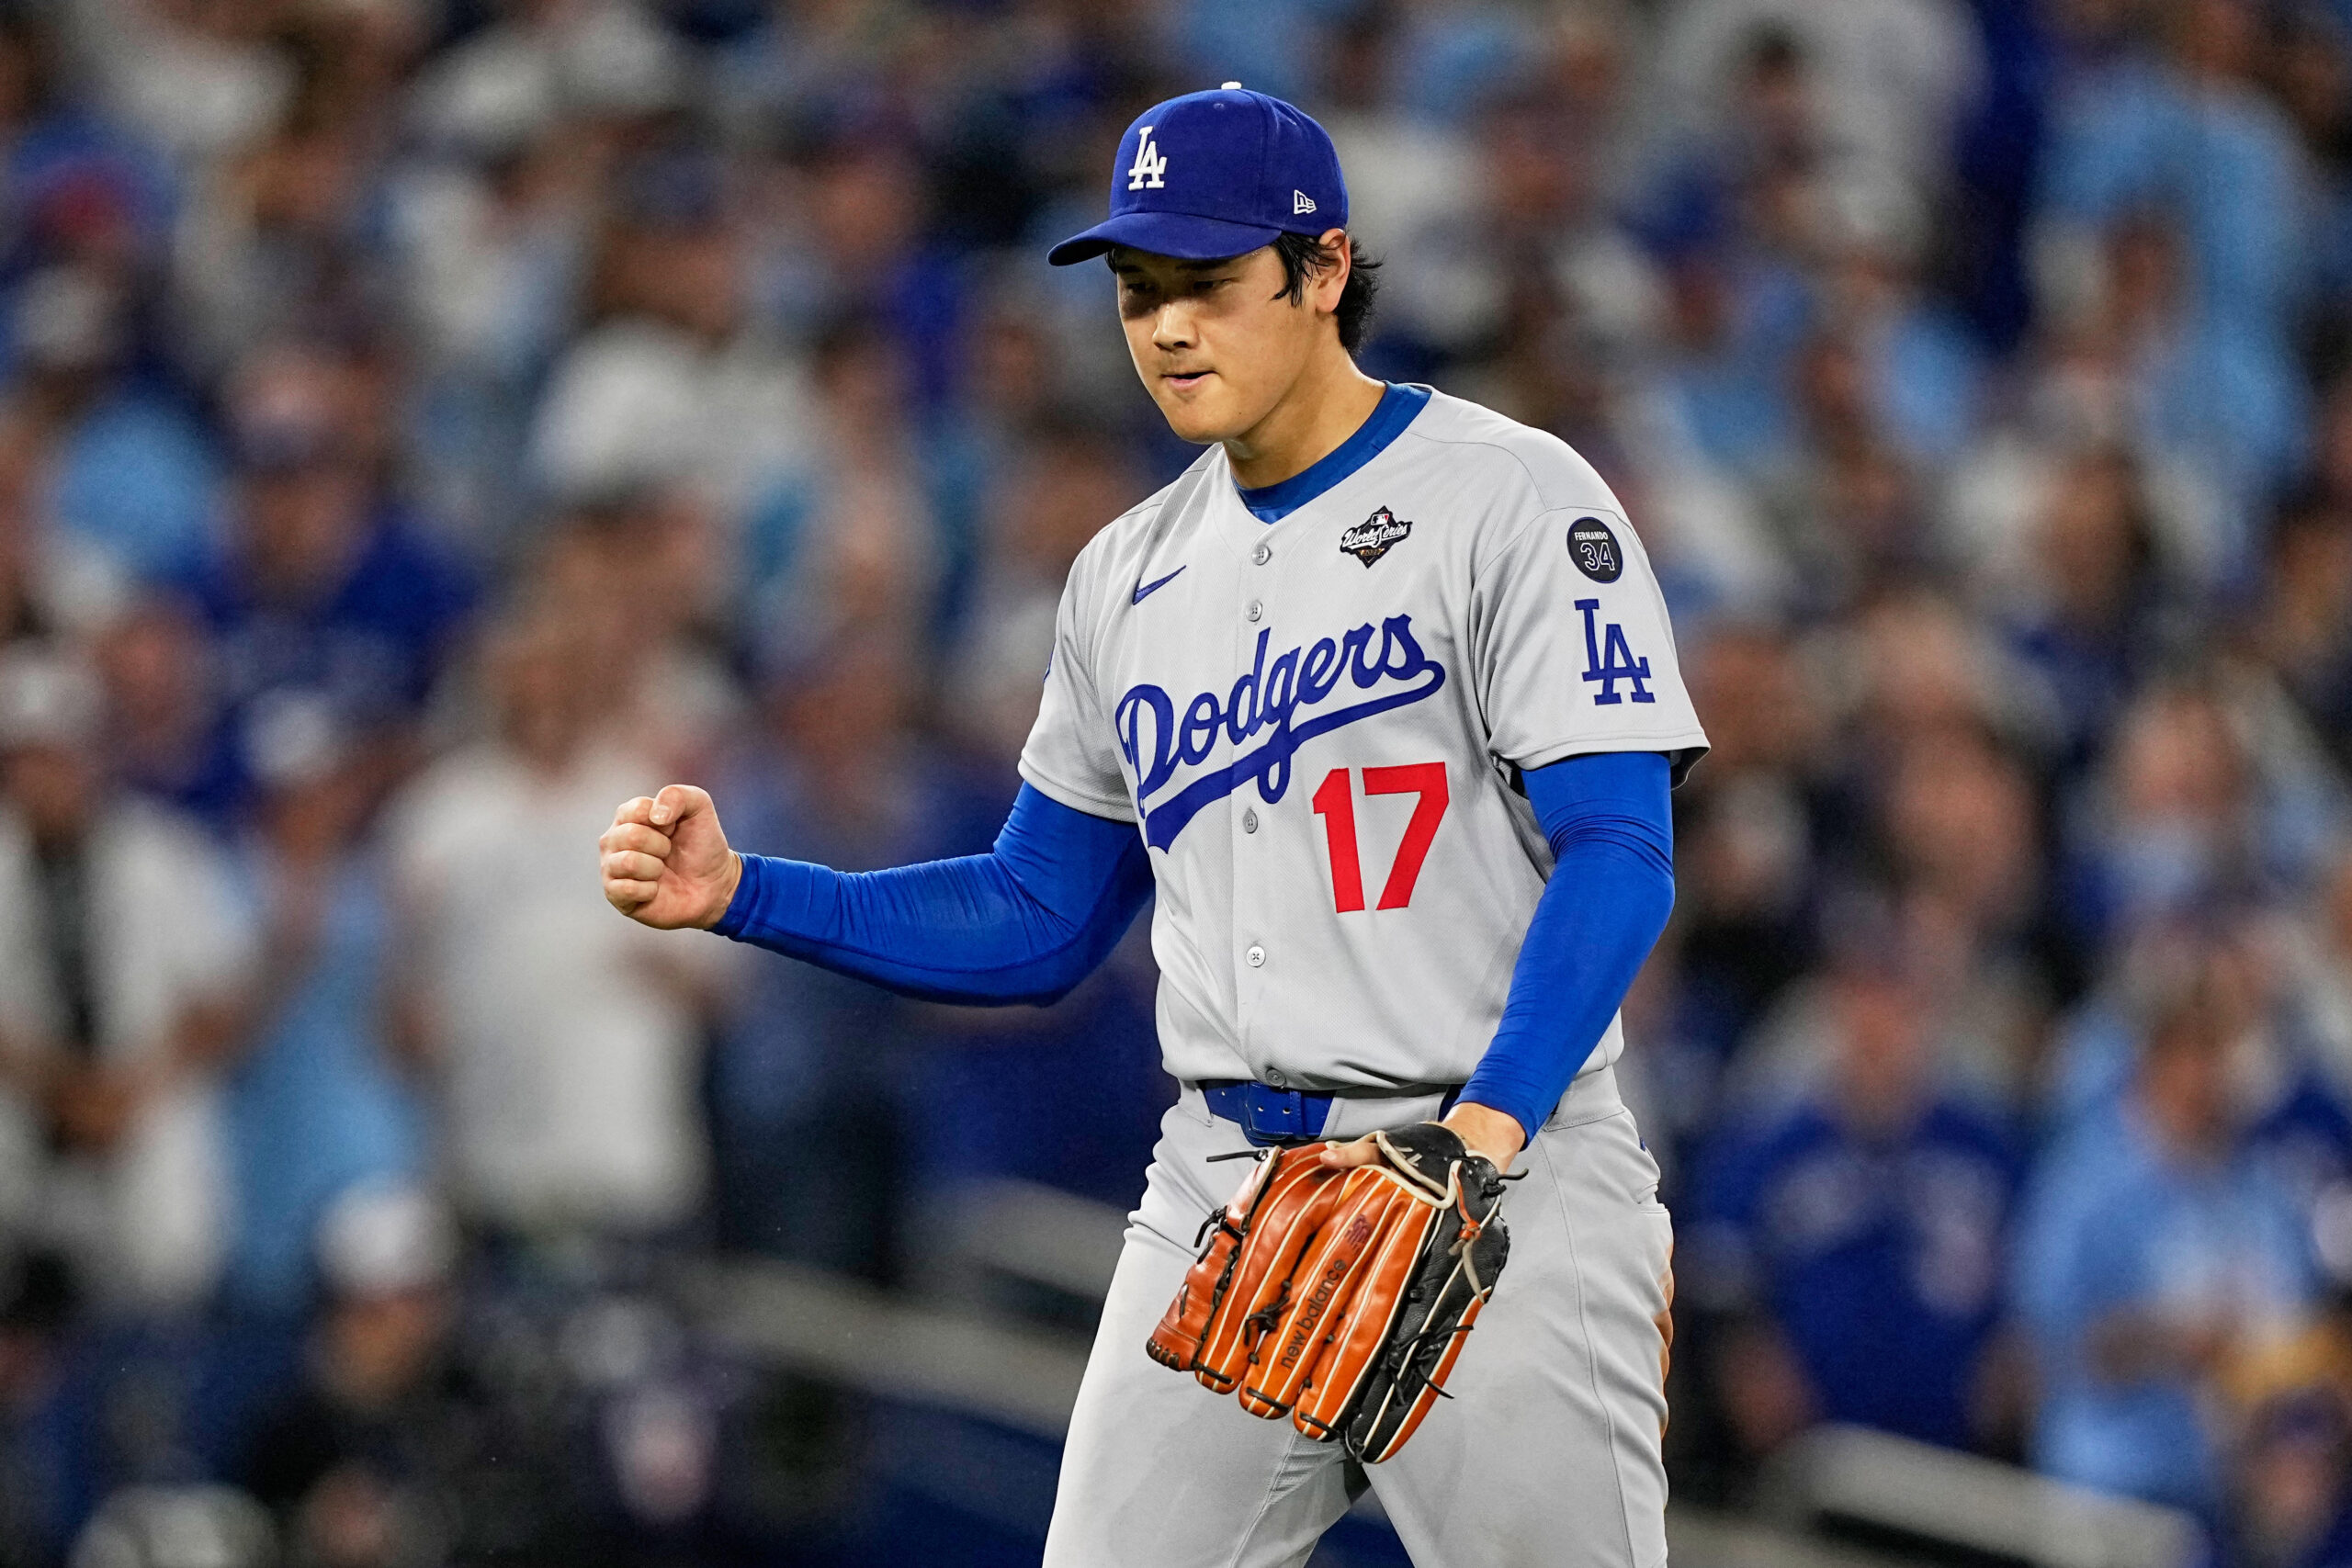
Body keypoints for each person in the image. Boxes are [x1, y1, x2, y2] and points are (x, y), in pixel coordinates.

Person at [599, 86, 1707, 1566]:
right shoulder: (1126, 577)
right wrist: (749, 891)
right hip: (1228, 1188)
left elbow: (1621, 850)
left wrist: (1482, 1129)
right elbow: (1039, 916)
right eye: (1139, 291)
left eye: (1208, 283)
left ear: (1323, 272)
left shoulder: (1507, 499)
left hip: (1496, 1178)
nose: (1168, 327)